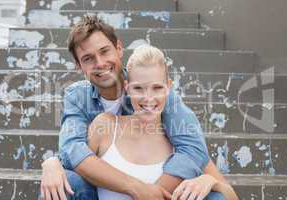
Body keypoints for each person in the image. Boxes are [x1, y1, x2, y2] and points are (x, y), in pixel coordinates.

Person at [39, 16, 229, 200]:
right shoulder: (78, 96)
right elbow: (73, 150)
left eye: (104, 51)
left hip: (152, 175)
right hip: (102, 187)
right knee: (64, 184)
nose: (100, 63)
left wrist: (153, 193)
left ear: (119, 48)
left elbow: (192, 148)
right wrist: (51, 162)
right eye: (88, 58)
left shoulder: (153, 90)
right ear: (79, 66)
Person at [87, 45, 238, 200]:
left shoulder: (182, 142)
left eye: (157, 88)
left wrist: (211, 181)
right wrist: (58, 164)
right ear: (127, 88)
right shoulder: (105, 126)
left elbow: (231, 196)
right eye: (138, 88)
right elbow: (74, 165)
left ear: (168, 87)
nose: (148, 97)